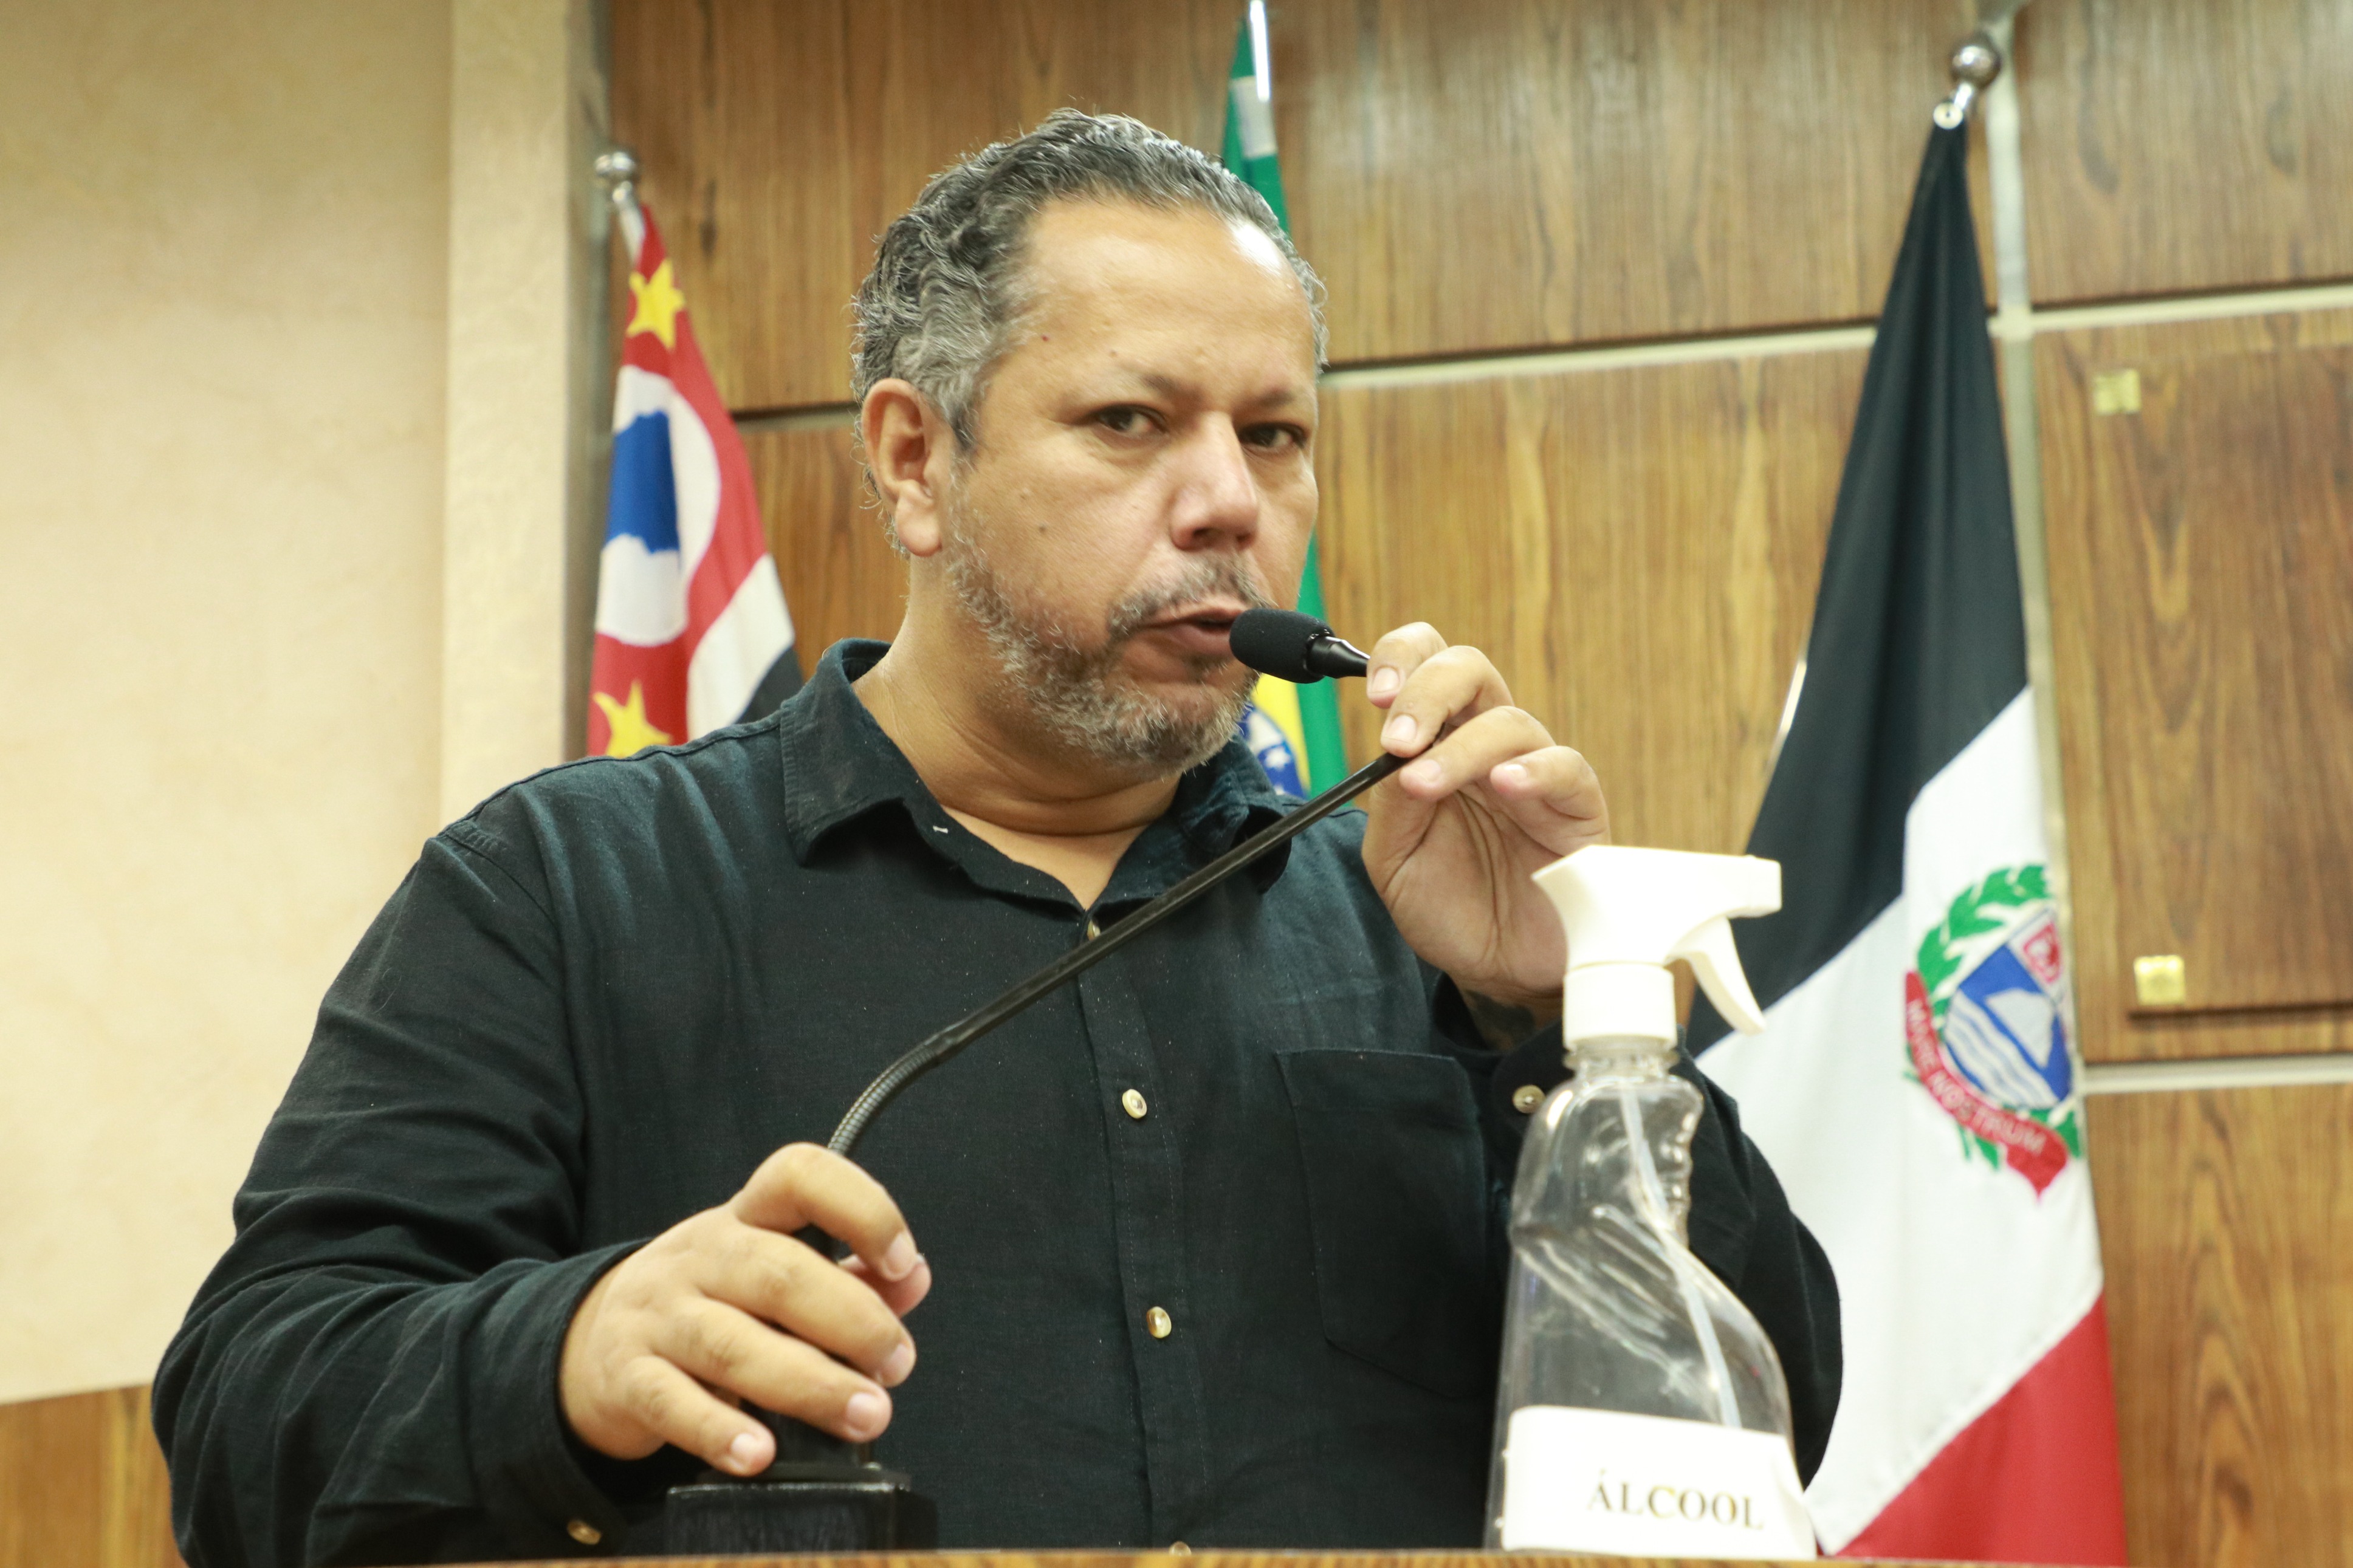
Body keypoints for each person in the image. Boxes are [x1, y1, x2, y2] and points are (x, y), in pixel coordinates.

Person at [156, 111, 1838, 1565]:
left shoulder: (1420, 925)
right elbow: (245, 1424)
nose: (1230, 504)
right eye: (1130, 423)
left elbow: (1779, 1424)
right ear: (916, 463)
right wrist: (570, 1351)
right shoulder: (564, 889)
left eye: (1272, 434)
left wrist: (1561, 1024)